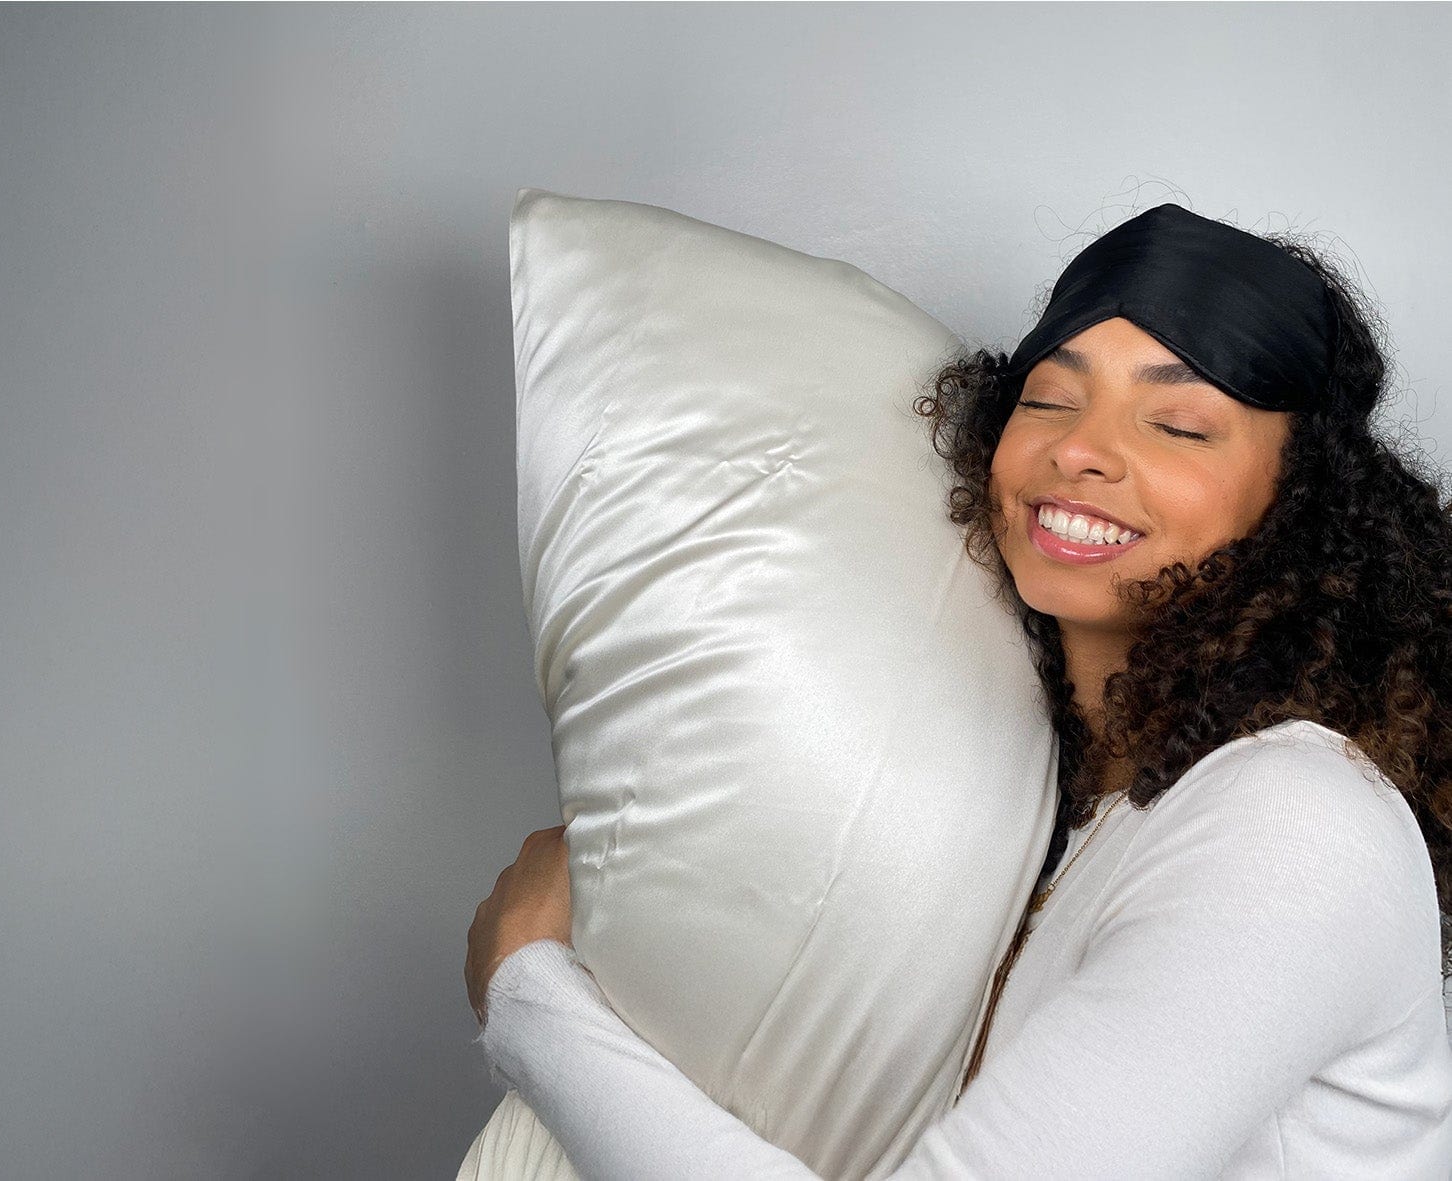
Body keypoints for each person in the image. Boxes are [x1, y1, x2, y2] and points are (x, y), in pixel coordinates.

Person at [464, 202, 1452, 1178]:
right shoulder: (1071, 802)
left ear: (1306, 502)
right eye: (1052, 399)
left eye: (1178, 423)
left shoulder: (1294, 822)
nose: (1080, 448)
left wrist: (531, 998)